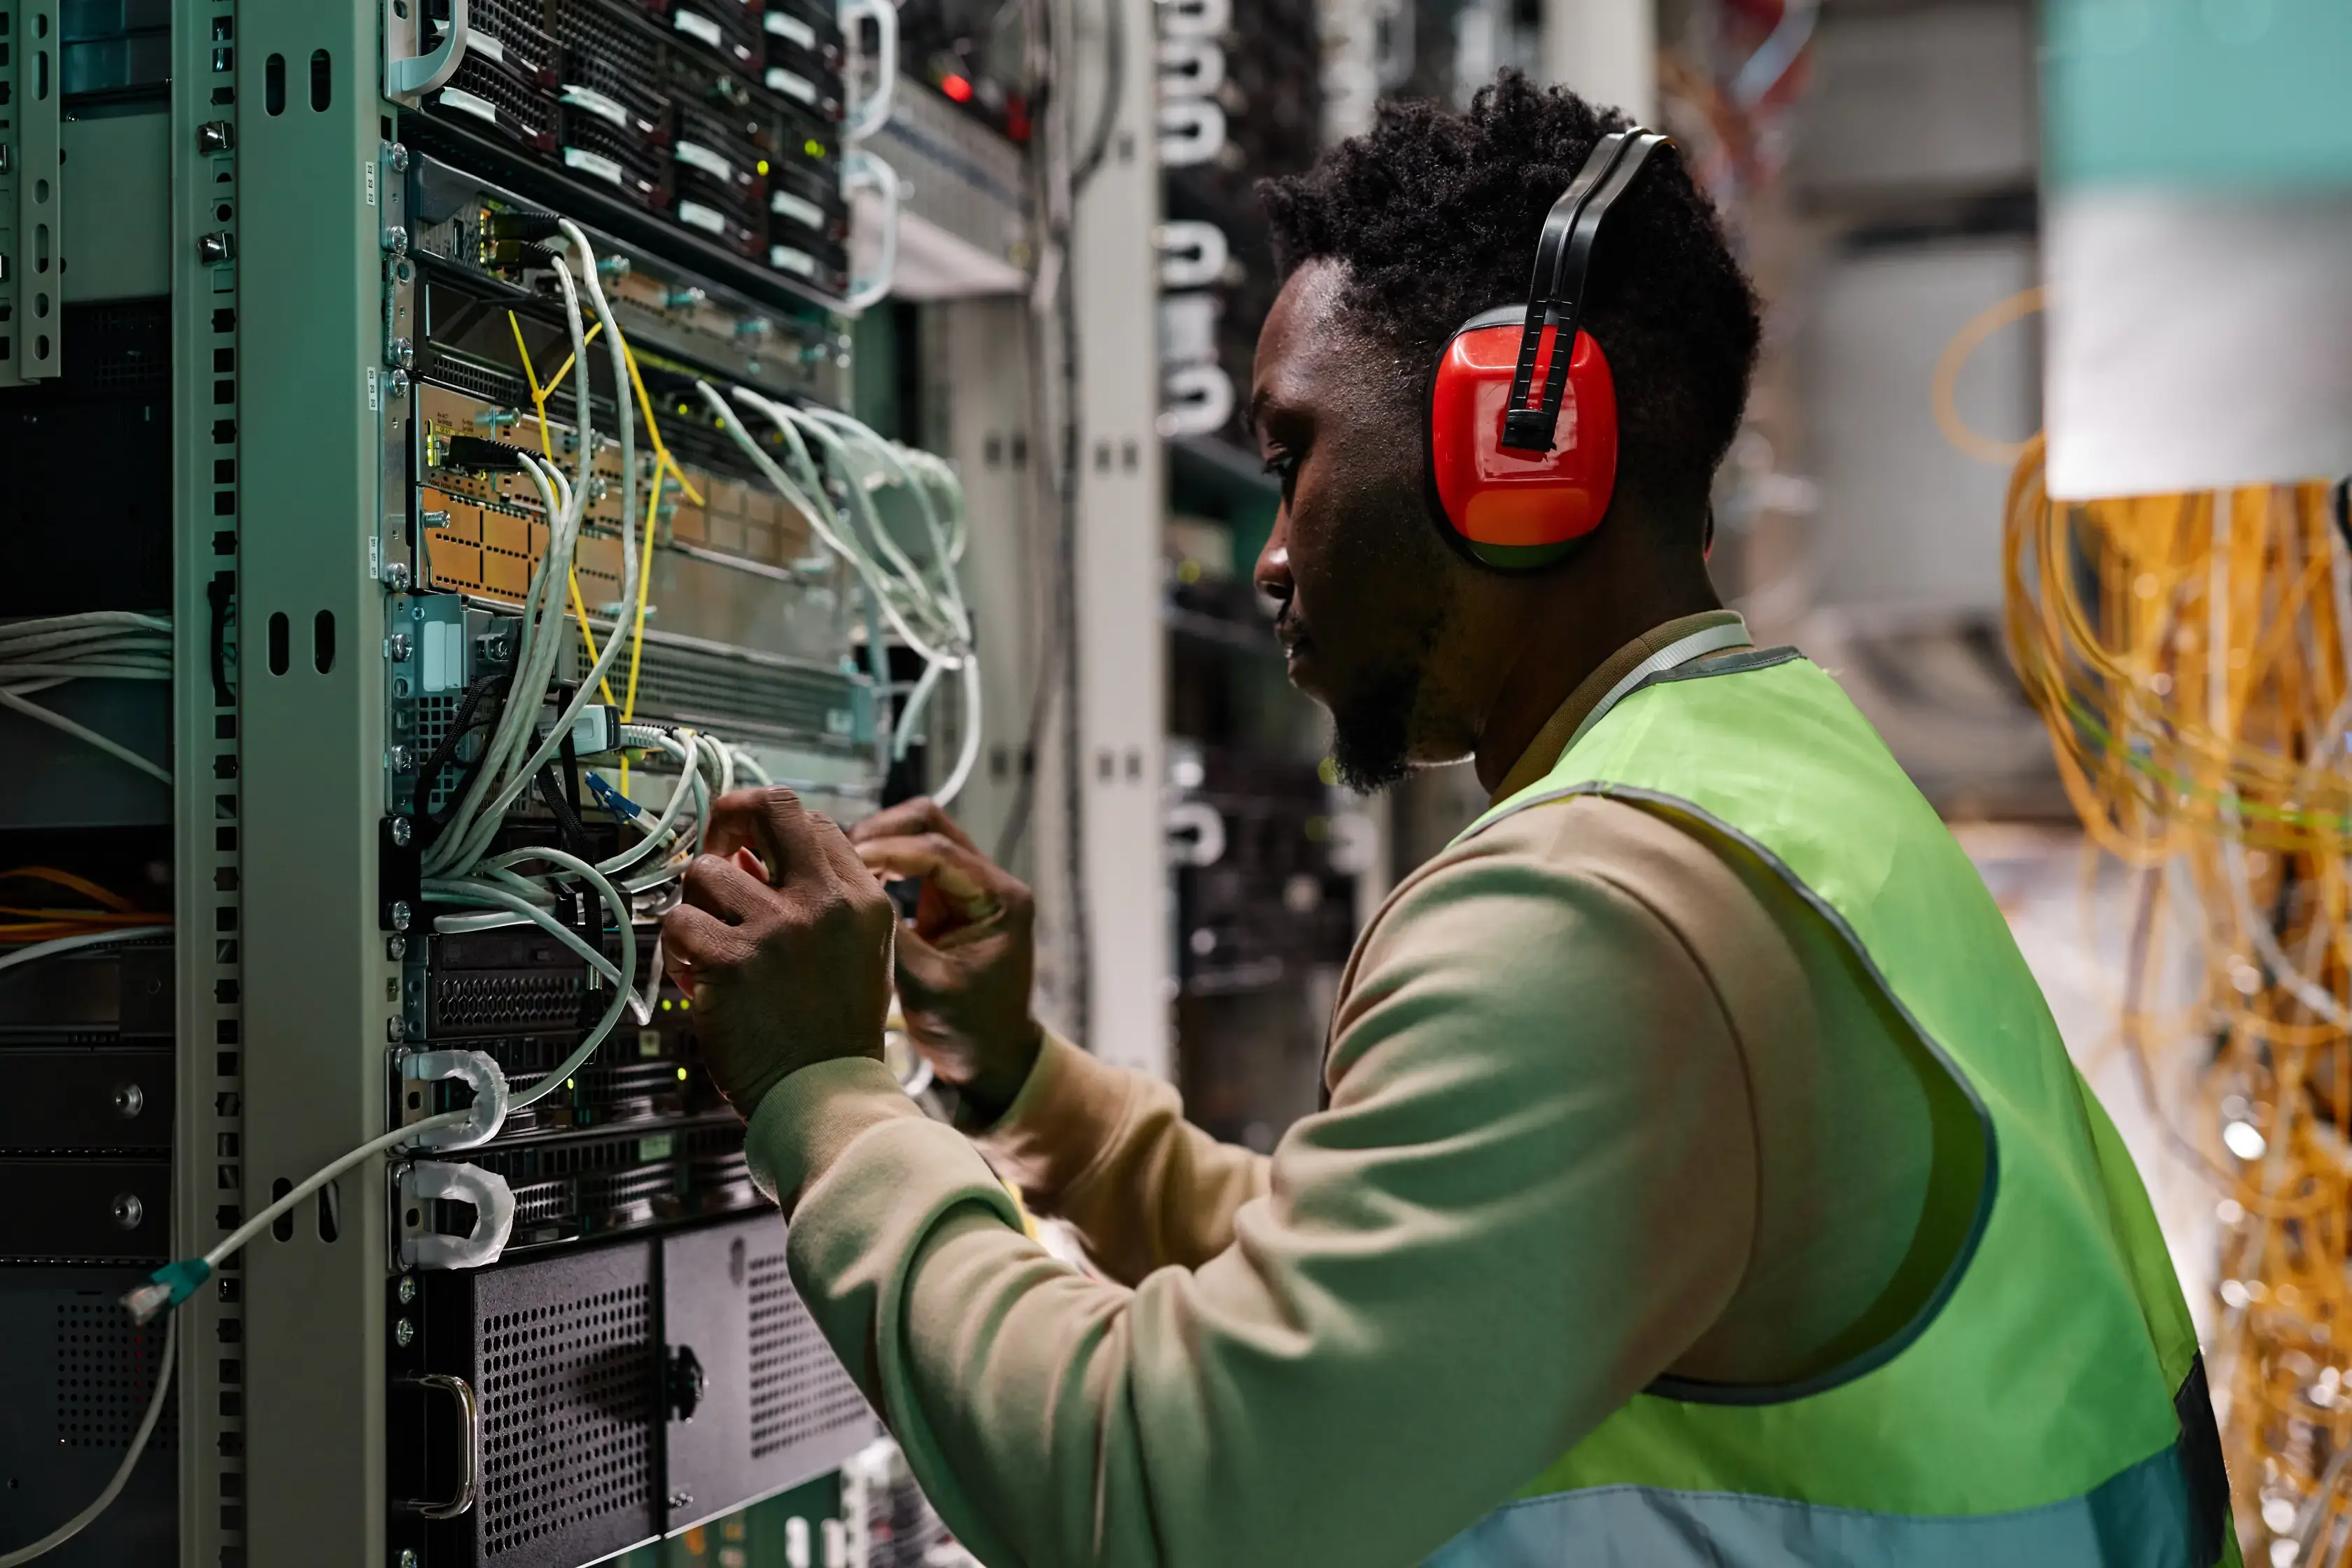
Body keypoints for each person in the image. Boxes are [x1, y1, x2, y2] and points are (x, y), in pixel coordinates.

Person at [662, 74, 2232, 1567]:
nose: (1272, 559)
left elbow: (1154, 1491)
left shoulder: (1595, 913)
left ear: (1523, 452)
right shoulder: (1779, 785)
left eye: (1295, 458)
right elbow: (1403, 1289)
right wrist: (1018, 1081)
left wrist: (824, 1094)